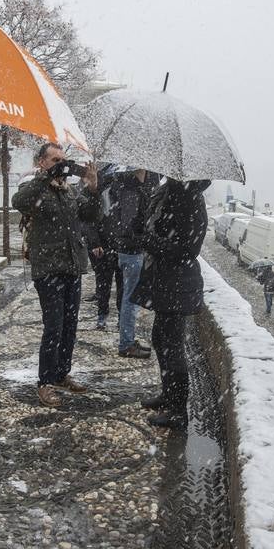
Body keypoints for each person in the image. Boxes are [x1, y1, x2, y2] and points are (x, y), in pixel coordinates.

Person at [12, 142, 100, 407]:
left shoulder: (70, 191)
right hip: (48, 269)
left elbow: (92, 214)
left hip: (72, 267)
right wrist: (48, 176)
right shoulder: (34, 186)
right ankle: (45, 382)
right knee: (54, 327)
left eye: (63, 159)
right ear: (41, 162)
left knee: (70, 325)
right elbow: (20, 202)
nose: (60, 164)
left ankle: (62, 373)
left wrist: (93, 188)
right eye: (54, 160)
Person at [138, 178, 211, 430]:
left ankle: (178, 410)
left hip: (178, 283)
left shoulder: (189, 198)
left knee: (172, 346)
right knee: (161, 338)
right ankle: (169, 395)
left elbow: (188, 248)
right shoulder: (172, 191)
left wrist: (150, 242)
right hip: (168, 280)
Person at [105, 168, 156, 358]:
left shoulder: (137, 186)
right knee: (130, 299)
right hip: (131, 250)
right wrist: (144, 234)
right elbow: (128, 223)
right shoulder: (128, 188)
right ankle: (126, 344)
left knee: (129, 297)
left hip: (131, 249)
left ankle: (128, 340)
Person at [84, 203, 123, 330]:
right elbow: (90, 222)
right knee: (103, 285)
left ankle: (121, 316)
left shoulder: (126, 192)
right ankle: (102, 315)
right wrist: (95, 243)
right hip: (103, 247)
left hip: (121, 246)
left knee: (122, 286)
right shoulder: (100, 196)